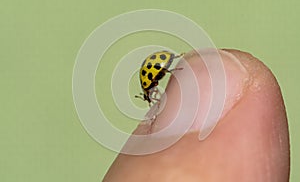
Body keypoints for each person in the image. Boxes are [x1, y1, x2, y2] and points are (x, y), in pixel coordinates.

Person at [104, 49, 290, 182]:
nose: (150, 96)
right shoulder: (149, 81)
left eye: (148, 95)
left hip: (165, 62)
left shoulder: (149, 84)